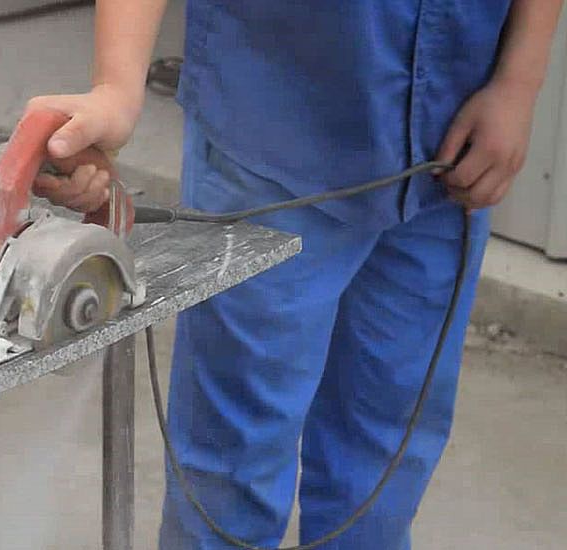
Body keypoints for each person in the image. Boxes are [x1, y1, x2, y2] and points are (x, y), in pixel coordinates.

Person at [28, 1, 563, 548]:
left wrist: (518, 82)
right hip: (278, 138)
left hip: (447, 147)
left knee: (388, 449)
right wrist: (117, 87)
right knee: (235, 457)